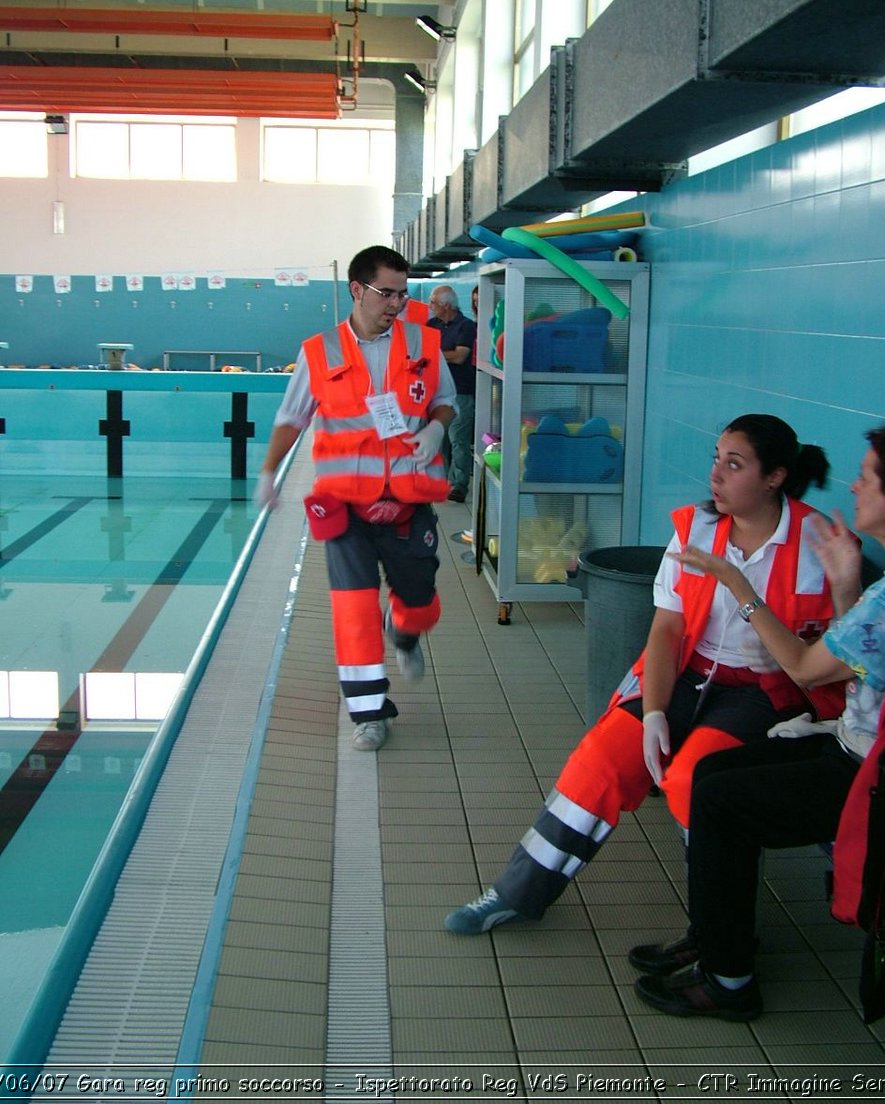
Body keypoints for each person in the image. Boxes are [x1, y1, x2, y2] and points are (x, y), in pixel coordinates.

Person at [445, 414, 847, 934]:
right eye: (716, 459)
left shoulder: (819, 545)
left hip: (764, 694)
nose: (716, 476)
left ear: (774, 478)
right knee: (600, 758)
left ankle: (715, 932)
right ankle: (517, 892)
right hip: (686, 676)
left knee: (691, 782)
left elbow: (833, 656)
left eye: (735, 464)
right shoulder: (696, 532)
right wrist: (655, 710)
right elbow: (666, 632)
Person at [630, 424, 885, 1021]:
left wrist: (739, 587)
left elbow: (807, 670)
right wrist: (846, 583)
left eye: (868, 477)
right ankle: (716, 940)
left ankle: (730, 981)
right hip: (856, 746)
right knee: (709, 779)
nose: (854, 485)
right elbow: (859, 661)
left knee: (721, 798)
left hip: (871, 772)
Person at [255, 245, 457, 753]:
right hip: (345, 508)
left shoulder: (422, 342)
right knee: (353, 611)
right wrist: (268, 472)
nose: (396, 303)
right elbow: (291, 417)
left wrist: (435, 429)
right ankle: (368, 713)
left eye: (401, 293)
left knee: (419, 602)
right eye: (386, 293)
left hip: (409, 504)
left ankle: (406, 632)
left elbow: (446, 402)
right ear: (357, 290)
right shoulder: (319, 352)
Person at [428, 284, 477, 504]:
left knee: (458, 438)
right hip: (437, 392)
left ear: (446, 305)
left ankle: (459, 485)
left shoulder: (466, 327)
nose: (430, 307)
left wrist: (434, 354)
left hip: (462, 391)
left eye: (433, 302)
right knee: (439, 438)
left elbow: (460, 356)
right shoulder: (431, 326)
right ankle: (440, 483)